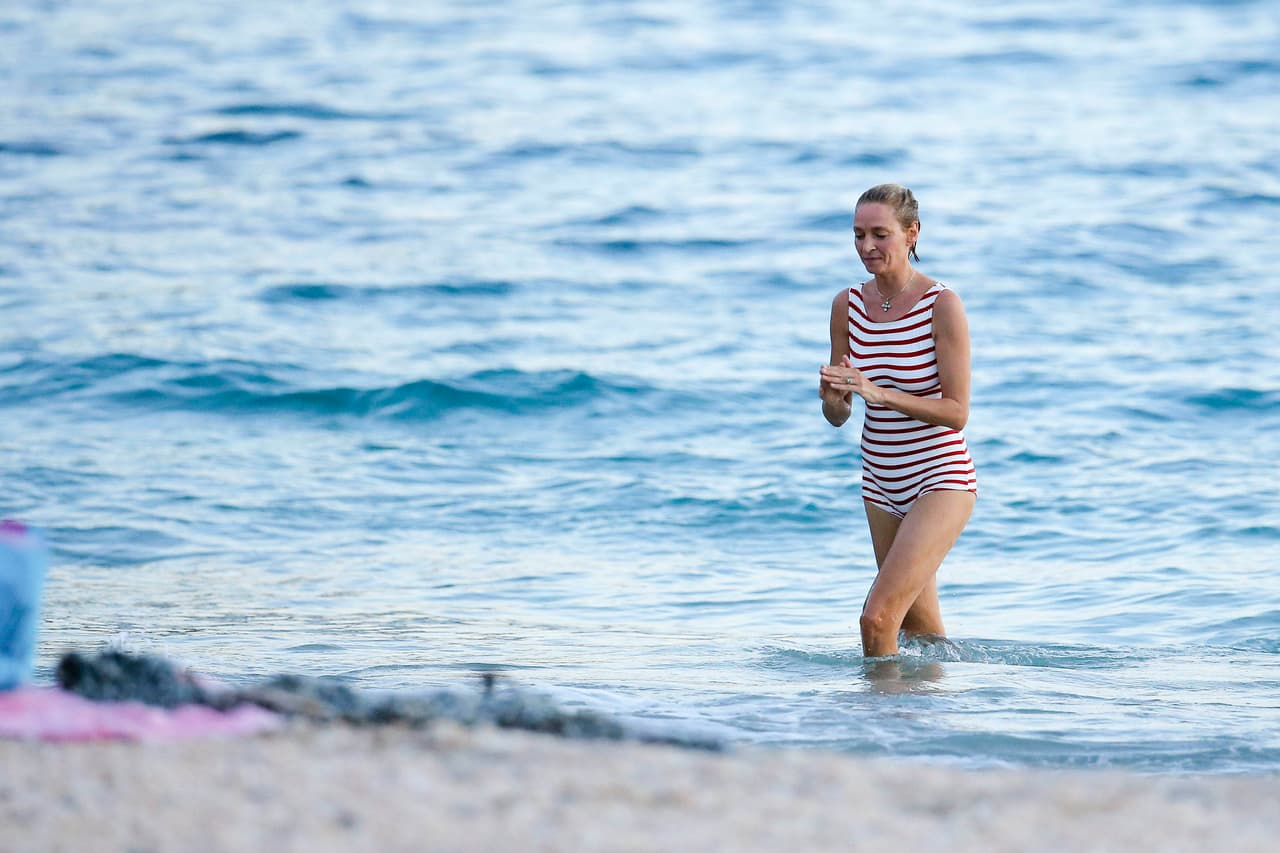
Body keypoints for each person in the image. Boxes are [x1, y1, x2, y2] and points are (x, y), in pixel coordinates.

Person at [818, 184, 977, 657]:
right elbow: (838, 416)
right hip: (881, 482)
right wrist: (834, 397)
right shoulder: (847, 305)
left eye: (879, 235)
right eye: (858, 234)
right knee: (918, 631)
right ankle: (927, 725)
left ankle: (878, 728)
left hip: (940, 478)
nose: (867, 246)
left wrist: (877, 393)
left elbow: (957, 412)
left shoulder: (941, 304)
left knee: (877, 618)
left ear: (911, 234)